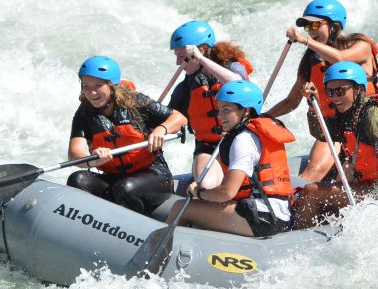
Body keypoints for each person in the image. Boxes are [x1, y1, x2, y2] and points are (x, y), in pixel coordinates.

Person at [265, 0, 378, 183]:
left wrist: (304, 40)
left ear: (335, 26)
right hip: (335, 128)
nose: (312, 31)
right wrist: (261, 117)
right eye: (308, 27)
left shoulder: (361, 46)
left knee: (344, 177)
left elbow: (340, 58)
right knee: (314, 169)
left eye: (316, 25)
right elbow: (291, 101)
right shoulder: (312, 59)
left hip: (367, 124)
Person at [294, 62, 378, 229]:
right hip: (366, 184)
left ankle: (299, 236)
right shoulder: (348, 112)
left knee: (310, 192)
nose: (335, 97)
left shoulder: (374, 116)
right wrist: (312, 105)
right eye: (330, 92)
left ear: (358, 89)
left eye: (340, 91)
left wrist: (374, 202)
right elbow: (323, 135)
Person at [167, 80, 295, 237]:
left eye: (226, 110)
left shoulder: (244, 140)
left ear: (246, 111)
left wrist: (199, 193)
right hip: (276, 214)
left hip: (263, 217)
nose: (220, 116)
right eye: (219, 109)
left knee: (180, 207)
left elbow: (227, 192)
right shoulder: (254, 133)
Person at [67, 55, 187, 214]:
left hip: (154, 174)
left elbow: (180, 118)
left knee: (125, 188)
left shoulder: (136, 101)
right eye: (86, 86)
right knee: (77, 180)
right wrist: (93, 160)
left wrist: (161, 129)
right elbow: (74, 154)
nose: (92, 92)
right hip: (113, 178)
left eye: (98, 85)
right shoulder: (84, 114)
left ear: (111, 86)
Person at [167, 20, 253, 190]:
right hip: (208, 147)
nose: (178, 63)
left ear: (202, 50)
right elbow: (169, 118)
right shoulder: (185, 89)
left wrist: (199, 58)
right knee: (206, 185)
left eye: (182, 56)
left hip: (241, 140)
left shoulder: (233, 68)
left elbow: (236, 83)